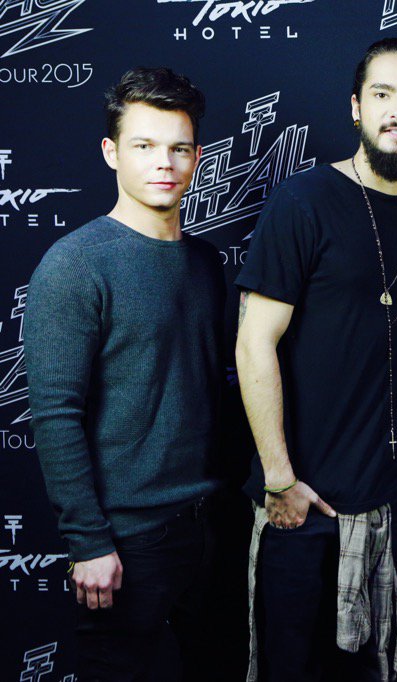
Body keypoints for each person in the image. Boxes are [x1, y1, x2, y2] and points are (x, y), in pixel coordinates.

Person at [234, 37, 397, 681]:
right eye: (383, 94)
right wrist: (279, 480)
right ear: (356, 107)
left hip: (390, 506)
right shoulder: (303, 200)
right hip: (303, 508)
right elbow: (253, 341)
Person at [24, 67, 224, 681]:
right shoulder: (75, 265)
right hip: (127, 538)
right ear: (112, 153)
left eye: (179, 148)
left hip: (210, 525)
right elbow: (55, 414)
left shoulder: (206, 262)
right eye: (144, 145)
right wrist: (89, 542)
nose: (164, 162)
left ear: (196, 157)